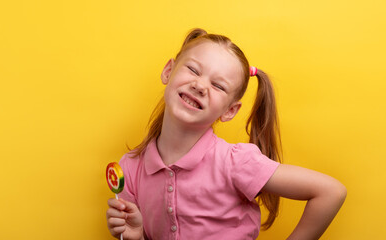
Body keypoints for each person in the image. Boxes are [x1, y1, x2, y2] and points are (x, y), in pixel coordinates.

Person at [105, 28, 346, 240]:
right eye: (193, 69)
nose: (199, 86)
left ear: (230, 111)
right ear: (169, 70)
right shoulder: (130, 169)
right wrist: (135, 237)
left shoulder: (235, 162)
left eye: (218, 86)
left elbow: (330, 191)